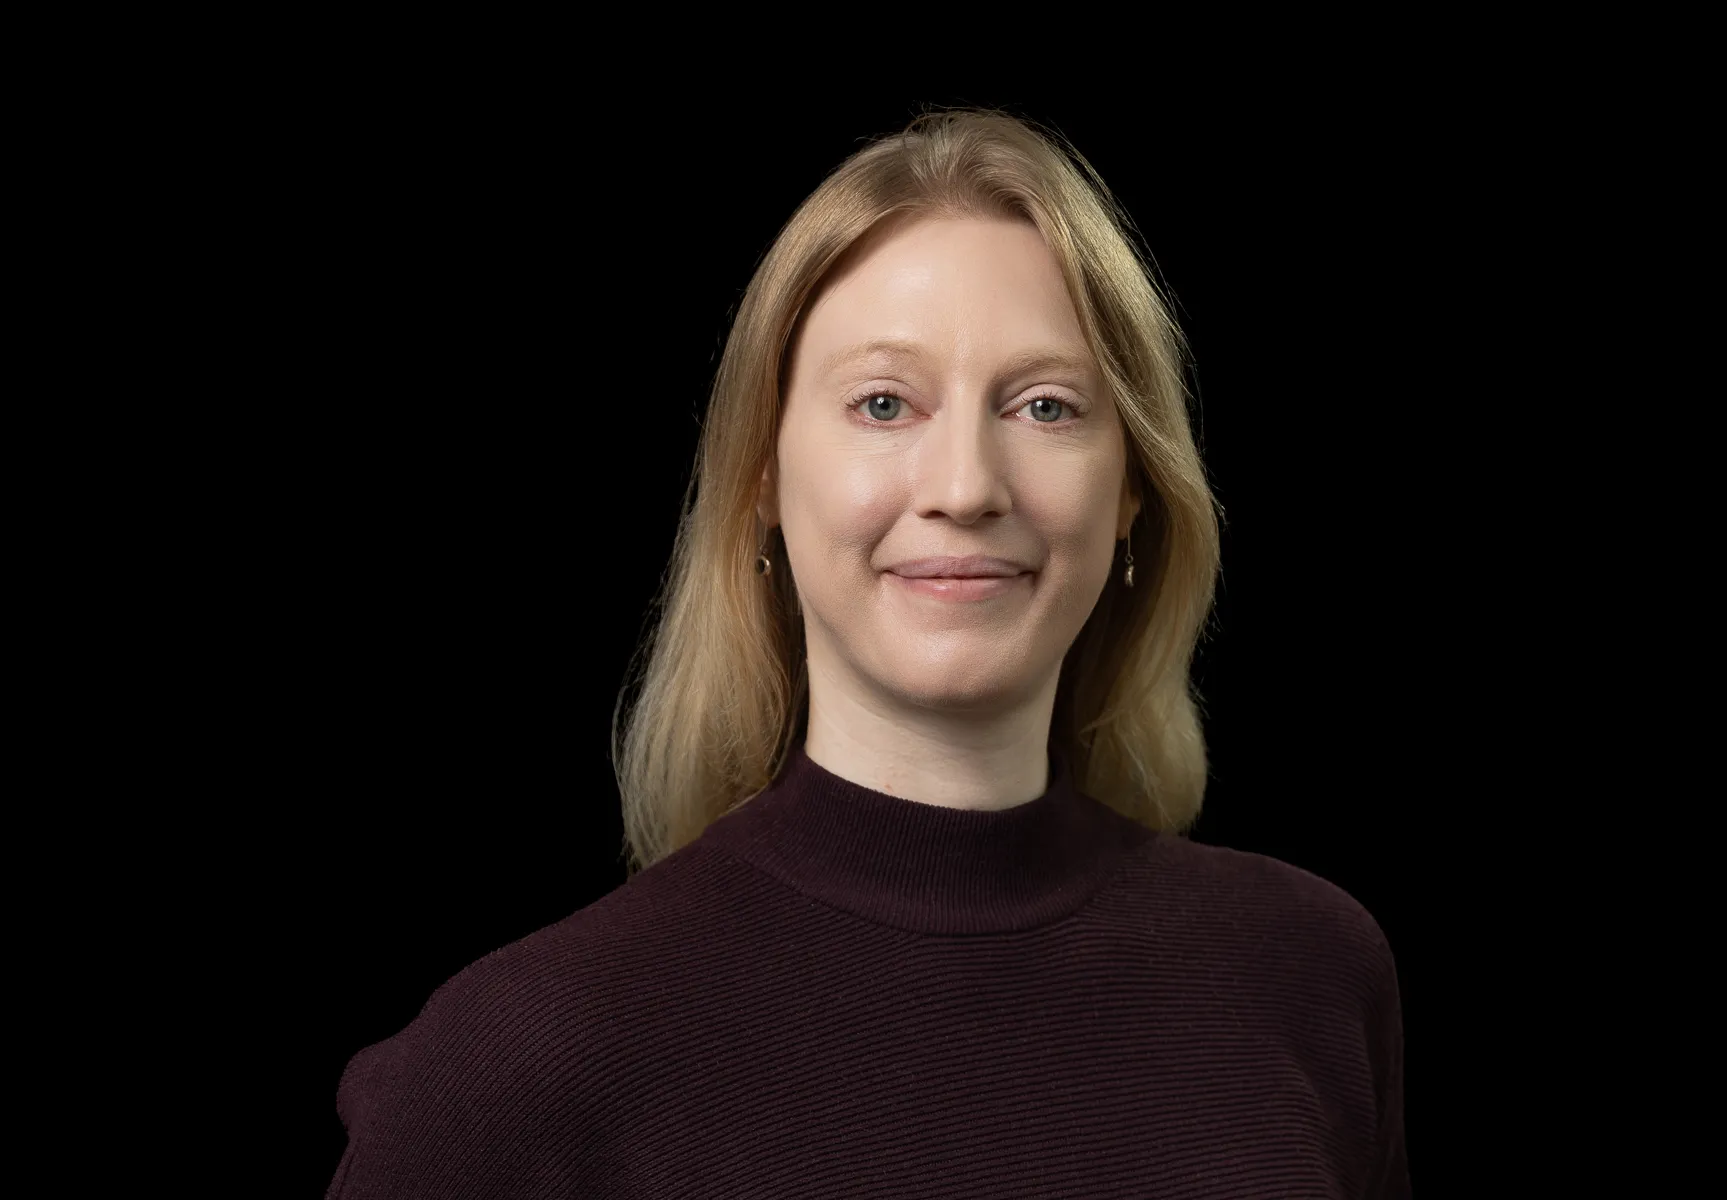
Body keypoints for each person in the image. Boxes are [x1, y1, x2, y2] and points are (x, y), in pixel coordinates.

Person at [327, 107, 1409, 1199]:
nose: (965, 487)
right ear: (762, 478)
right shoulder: (519, 1063)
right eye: (884, 403)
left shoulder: (1310, 973)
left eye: (1045, 406)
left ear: (1130, 487)